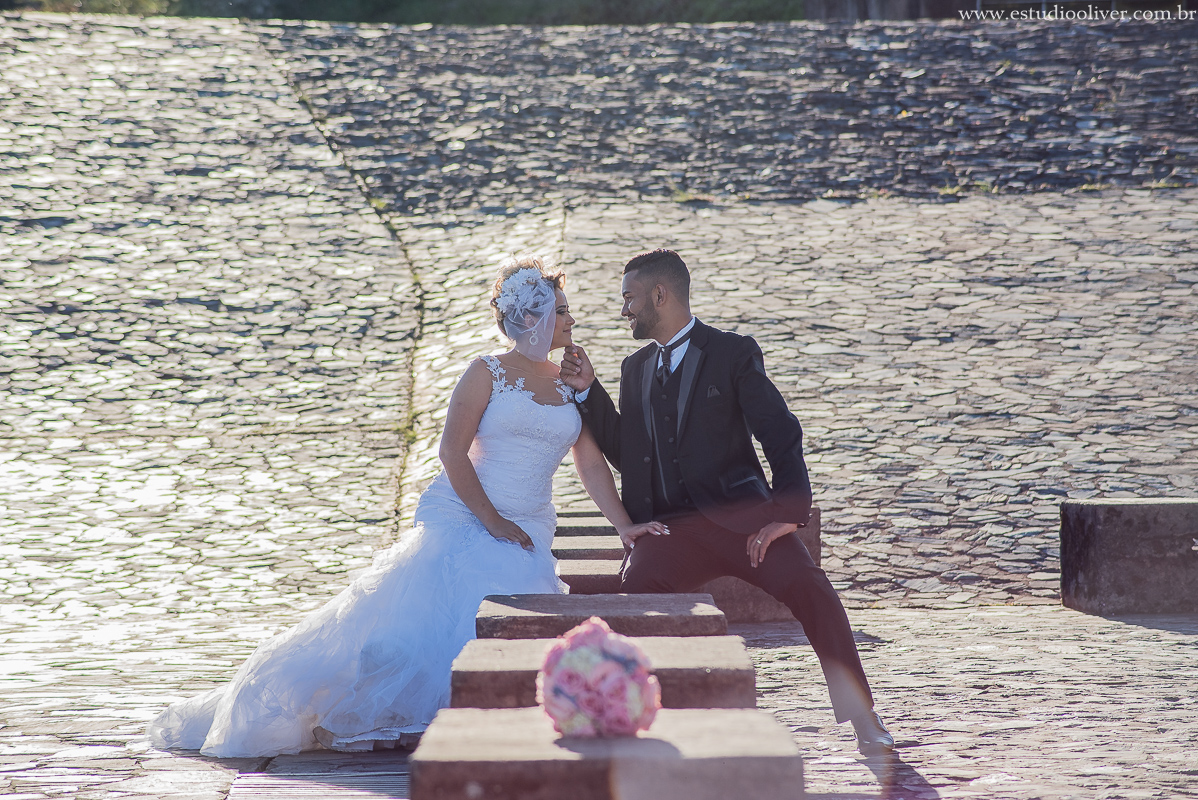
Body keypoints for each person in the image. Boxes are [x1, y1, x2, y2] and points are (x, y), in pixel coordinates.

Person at [149, 256, 665, 757]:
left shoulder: (569, 379)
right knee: (451, 620)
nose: (572, 320)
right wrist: (492, 521)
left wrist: (624, 526)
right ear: (533, 317)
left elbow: (591, 464)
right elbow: (450, 451)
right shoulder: (485, 372)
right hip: (474, 518)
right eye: (563, 310)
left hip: (531, 527)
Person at [559, 248, 894, 756]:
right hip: (673, 531)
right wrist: (590, 392)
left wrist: (787, 514)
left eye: (629, 298)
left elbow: (781, 434)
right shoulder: (634, 368)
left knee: (814, 591)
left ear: (660, 294)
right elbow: (631, 455)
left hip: (745, 527)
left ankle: (863, 717)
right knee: (638, 587)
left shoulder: (734, 353)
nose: (623, 309)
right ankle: (649, 718)